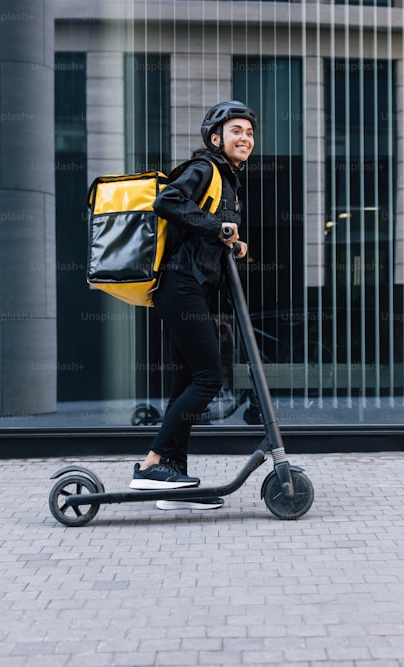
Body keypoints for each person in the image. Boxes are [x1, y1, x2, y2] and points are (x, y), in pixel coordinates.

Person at [128, 100, 256, 510]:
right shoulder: (207, 168)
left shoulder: (228, 180)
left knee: (185, 383)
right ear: (216, 138)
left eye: (250, 133)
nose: (246, 138)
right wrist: (217, 227)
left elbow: (202, 230)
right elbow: (166, 202)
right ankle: (152, 465)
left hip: (190, 287)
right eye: (237, 131)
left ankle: (174, 481)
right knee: (209, 378)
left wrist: (230, 243)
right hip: (180, 285)